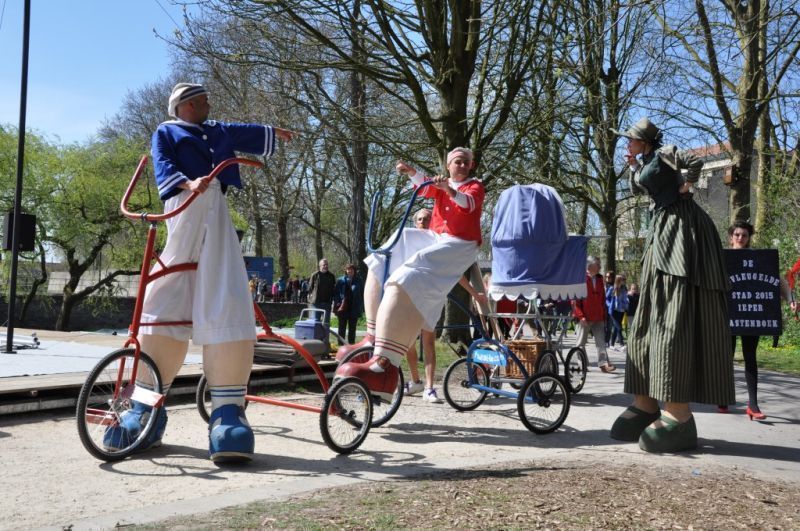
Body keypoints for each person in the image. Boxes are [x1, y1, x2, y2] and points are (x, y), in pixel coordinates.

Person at [103, 82, 294, 463]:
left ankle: (227, 410)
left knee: (227, 286)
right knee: (168, 288)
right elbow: (164, 165)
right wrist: (189, 183)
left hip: (214, 206)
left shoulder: (218, 128)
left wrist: (273, 134)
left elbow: (244, 132)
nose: (209, 104)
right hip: (183, 205)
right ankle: (145, 403)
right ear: (186, 106)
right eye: (202, 100)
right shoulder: (166, 130)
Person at [609, 117, 734, 453]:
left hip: (682, 230)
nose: (627, 144)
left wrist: (688, 185)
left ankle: (678, 413)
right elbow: (642, 187)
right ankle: (646, 402)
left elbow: (693, 162)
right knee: (650, 311)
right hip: (662, 230)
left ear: (643, 141)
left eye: (631, 140)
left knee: (672, 312)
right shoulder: (646, 160)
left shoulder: (665, 152)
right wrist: (634, 166)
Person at [334, 147, 485, 402]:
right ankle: (371, 337)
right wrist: (411, 172)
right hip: (438, 237)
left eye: (464, 162)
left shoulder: (474, 187)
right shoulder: (443, 184)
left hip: (462, 243)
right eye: (455, 162)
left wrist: (448, 190)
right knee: (387, 251)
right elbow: (426, 187)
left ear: (470, 166)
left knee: (410, 272)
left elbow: (467, 204)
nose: (460, 166)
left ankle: (384, 365)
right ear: (448, 166)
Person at [716, 221, 798, 417]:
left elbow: (779, 281)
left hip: (753, 316)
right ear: (731, 237)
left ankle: (753, 405)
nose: (740, 238)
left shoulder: (760, 258)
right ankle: (723, 398)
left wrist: (791, 299)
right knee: (725, 358)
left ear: (748, 237)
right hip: (727, 315)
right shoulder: (722, 258)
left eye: (744, 235)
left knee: (750, 358)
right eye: (737, 235)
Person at [573, 256, 616, 373]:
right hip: (584, 317)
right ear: (590, 266)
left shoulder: (599, 279)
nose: (600, 267)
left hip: (598, 317)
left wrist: (604, 314)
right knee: (580, 343)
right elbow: (575, 301)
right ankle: (582, 365)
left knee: (601, 342)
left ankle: (603, 364)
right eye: (598, 264)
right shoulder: (580, 278)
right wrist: (580, 316)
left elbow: (602, 299)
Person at [333, 264, 364, 345]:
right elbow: (335, 293)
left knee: (352, 329)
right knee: (341, 328)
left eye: (352, 269)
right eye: (348, 269)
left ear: (354, 271)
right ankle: (340, 345)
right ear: (346, 270)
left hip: (354, 308)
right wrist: (338, 303)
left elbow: (362, 294)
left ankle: (351, 346)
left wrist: (361, 306)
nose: (350, 271)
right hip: (343, 308)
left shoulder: (359, 281)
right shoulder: (340, 280)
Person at [309, 259, 337, 324]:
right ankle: (317, 334)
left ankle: (325, 334)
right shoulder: (314, 275)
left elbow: (333, 289)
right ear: (320, 266)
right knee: (316, 323)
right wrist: (311, 299)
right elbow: (310, 288)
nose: (325, 266)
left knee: (326, 323)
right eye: (324, 265)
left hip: (327, 303)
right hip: (316, 303)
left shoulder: (331, 276)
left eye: (327, 265)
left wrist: (333, 301)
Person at [606, 274, 629, 349]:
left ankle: (611, 344)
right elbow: (606, 298)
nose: (624, 281)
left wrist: (626, 304)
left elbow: (625, 298)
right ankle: (622, 345)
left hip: (621, 310)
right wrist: (609, 305)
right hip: (613, 311)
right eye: (623, 279)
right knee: (619, 327)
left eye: (625, 279)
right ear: (618, 280)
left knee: (616, 328)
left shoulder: (624, 289)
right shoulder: (612, 288)